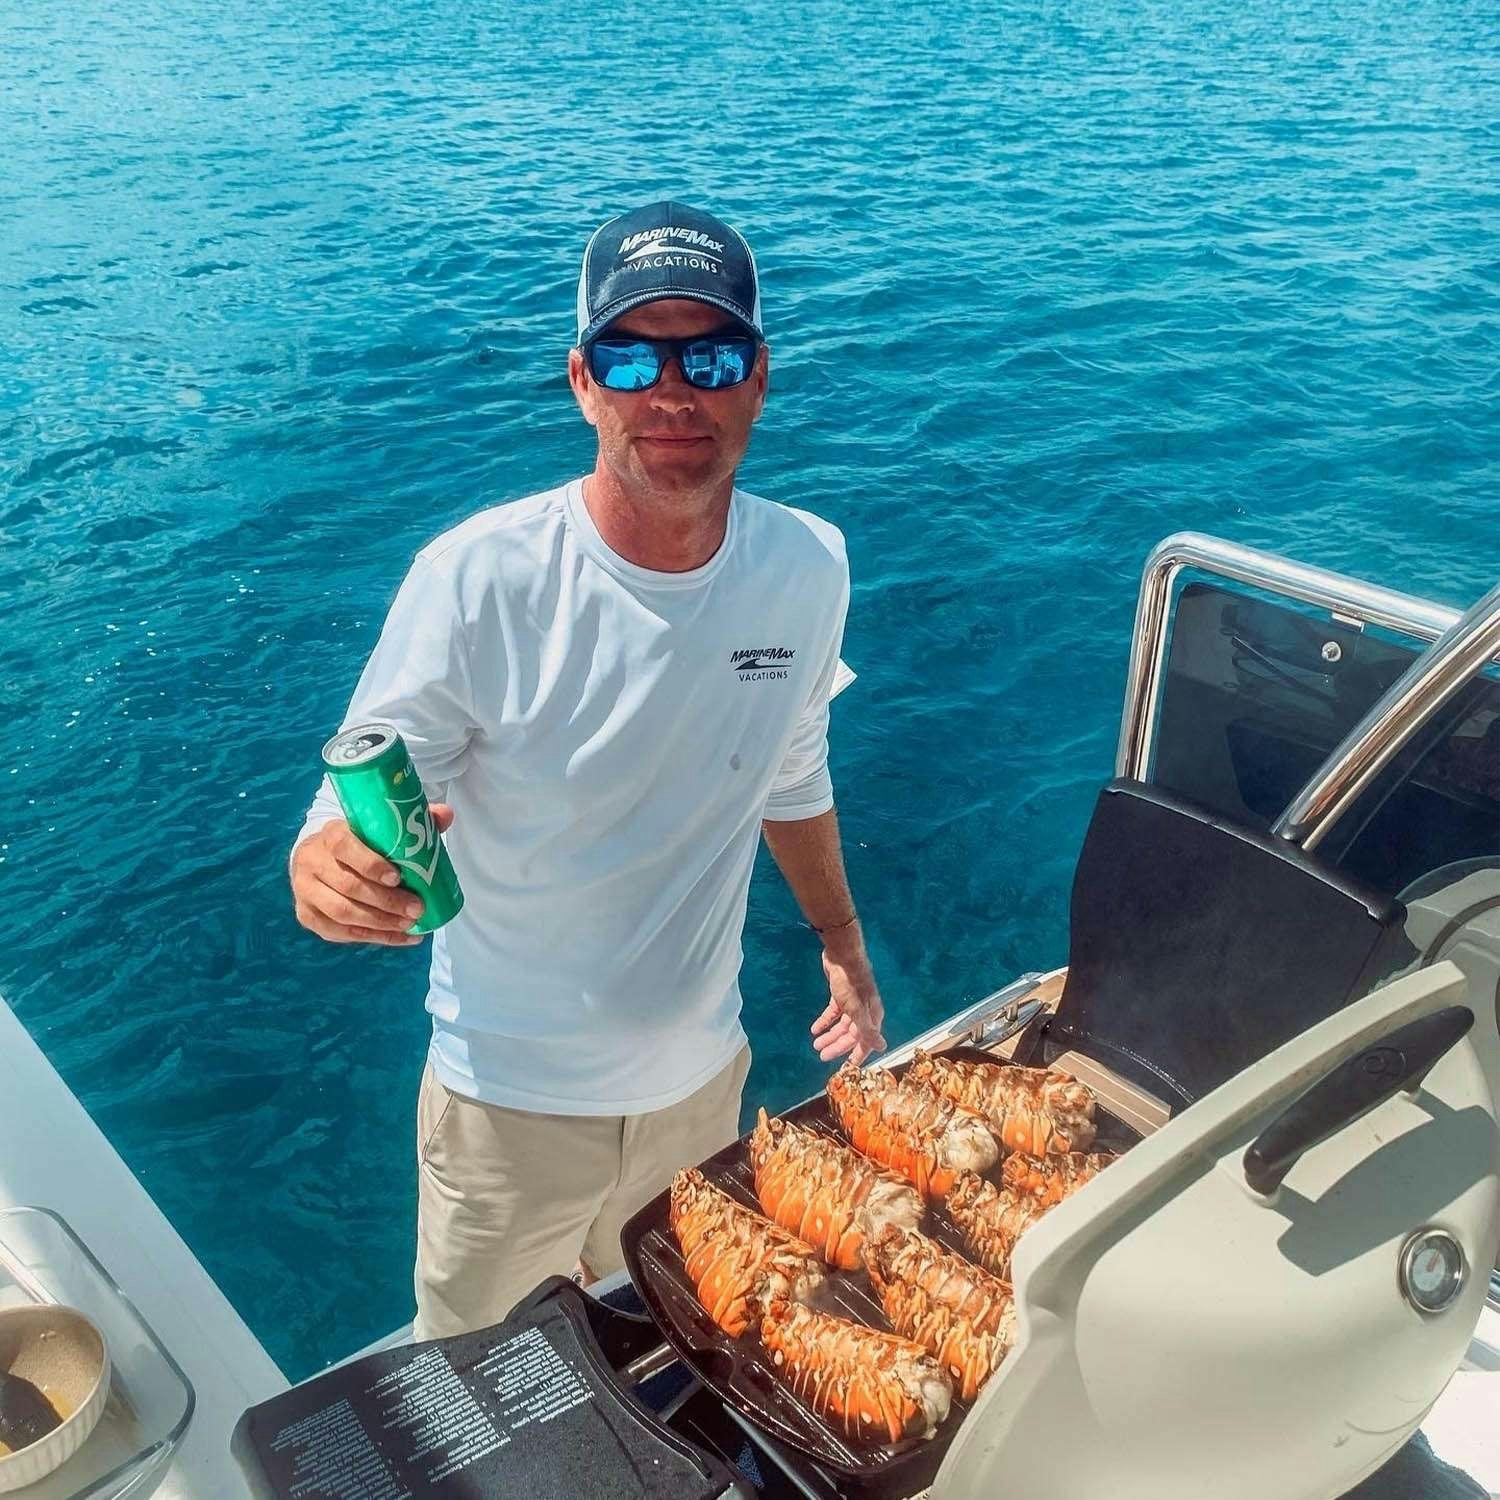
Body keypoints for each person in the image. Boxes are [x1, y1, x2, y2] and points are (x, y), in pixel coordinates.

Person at [289, 200, 885, 1338]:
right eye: (630, 355)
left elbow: (791, 767)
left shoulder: (809, 565)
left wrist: (844, 946)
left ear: (758, 380)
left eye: (708, 355)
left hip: (701, 1090)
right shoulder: (476, 581)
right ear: (581, 382)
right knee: (474, 1394)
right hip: (506, 1113)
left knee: (681, 1357)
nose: (672, 392)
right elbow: (345, 808)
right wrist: (329, 875)